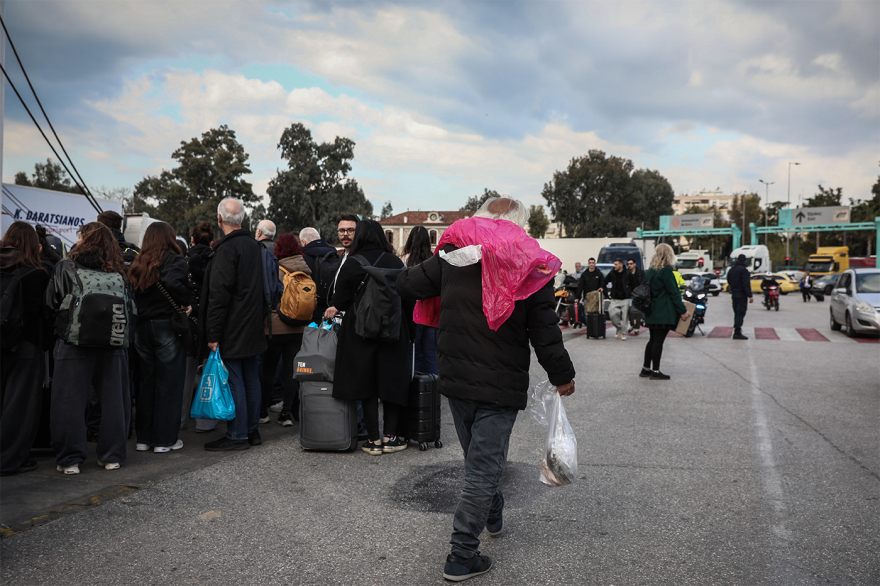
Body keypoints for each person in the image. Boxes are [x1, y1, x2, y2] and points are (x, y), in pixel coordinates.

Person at [396, 197, 575, 582]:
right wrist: (563, 375)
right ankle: (461, 555)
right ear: (517, 223)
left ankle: (491, 510)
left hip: (456, 376)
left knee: (479, 462)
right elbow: (544, 329)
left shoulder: (454, 252)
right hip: (500, 381)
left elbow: (407, 284)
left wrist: (383, 266)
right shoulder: (531, 261)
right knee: (482, 467)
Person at [45, 222, 132, 474]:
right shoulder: (120, 270)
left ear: (83, 239)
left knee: (68, 401)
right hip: (114, 343)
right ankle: (112, 456)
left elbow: (50, 303)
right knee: (114, 401)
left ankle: (70, 459)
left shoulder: (66, 266)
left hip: (73, 343)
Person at [324, 219, 413, 455]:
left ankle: (373, 440)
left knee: (367, 384)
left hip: (359, 330)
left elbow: (340, 301)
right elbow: (408, 297)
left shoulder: (352, 263)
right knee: (391, 381)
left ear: (360, 236)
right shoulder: (396, 262)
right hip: (393, 329)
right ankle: (391, 437)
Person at [200, 198, 267, 451]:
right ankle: (251, 431)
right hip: (252, 322)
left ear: (219, 219)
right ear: (242, 219)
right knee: (250, 378)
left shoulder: (226, 249)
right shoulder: (255, 245)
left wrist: (213, 332)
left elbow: (219, 294)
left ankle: (238, 434)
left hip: (232, 325)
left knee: (235, 379)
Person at [129, 222, 191, 454]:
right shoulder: (174, 260)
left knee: (146, 383)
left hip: (142, 327)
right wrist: (186, 302)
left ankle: (143, 438)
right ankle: (164, 440)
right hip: (166, 325)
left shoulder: (139, 262)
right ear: (169, 238)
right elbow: (175, 283)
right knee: (169, 384)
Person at [1, 222, 51, 476]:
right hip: (25, 346)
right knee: (19, 407)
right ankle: (8, 459)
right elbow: (43, 313)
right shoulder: (37, 274)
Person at [260, 233, 311, 427]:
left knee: (268, 370)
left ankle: (263, 412)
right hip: (298, 326)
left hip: (275, 326)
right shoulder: (304, 268)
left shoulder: (276, 266)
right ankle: (286, 414)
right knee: (290, 371)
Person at [184, 221, 217, 433]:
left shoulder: (185, 260)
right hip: (211, 321)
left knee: (186, 374)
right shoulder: (216, 260)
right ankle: (206, 421)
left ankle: (179, 420)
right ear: (211, 241)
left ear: (193, 239)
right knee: (210, 373)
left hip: (189, 321)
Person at [640, 244, 690, 380]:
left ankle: (645, 369)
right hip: (663, 312)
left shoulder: (650, 271)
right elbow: (674, 292)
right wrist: (683, 311)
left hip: (650, 311)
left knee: (652, 340)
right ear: (669, 255)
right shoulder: (666, 271)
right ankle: (656, 371)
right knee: (658, 341)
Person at [401, 226, 438, 374]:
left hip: (413, 313)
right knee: (431, 353)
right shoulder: (434, 260)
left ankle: (415, 388)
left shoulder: (404, 260)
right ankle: (433, 389)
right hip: (432, 312)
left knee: (413, 353)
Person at [299, 226, 340, 322]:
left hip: (311, 312)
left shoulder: (303, 259)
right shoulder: (334, 255)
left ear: (303, 242)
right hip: (333, 311)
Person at [605, 258, 639, 340]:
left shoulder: (628, 273)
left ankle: (623, 333)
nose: (614, 266)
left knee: (625, 317)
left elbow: (634, 284)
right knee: (612, 314)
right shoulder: (612, 273)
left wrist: (633, 295)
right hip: (615, 298)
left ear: (621, 265)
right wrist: (604, 292)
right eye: (614, 264)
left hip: (625, 298)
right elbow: (604, 281)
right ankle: (619, 327)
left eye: (616, 264)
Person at [727, 253, 753, 340]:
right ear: (745, 261)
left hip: (734, 294)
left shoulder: (731, 269)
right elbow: (746, 284)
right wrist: (750, 295)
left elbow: (729, 281)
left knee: (736, 312)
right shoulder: (744, 270)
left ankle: (737, 329)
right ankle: (737, 332)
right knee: (741, 312)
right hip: (741, 295)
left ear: (737, 260)